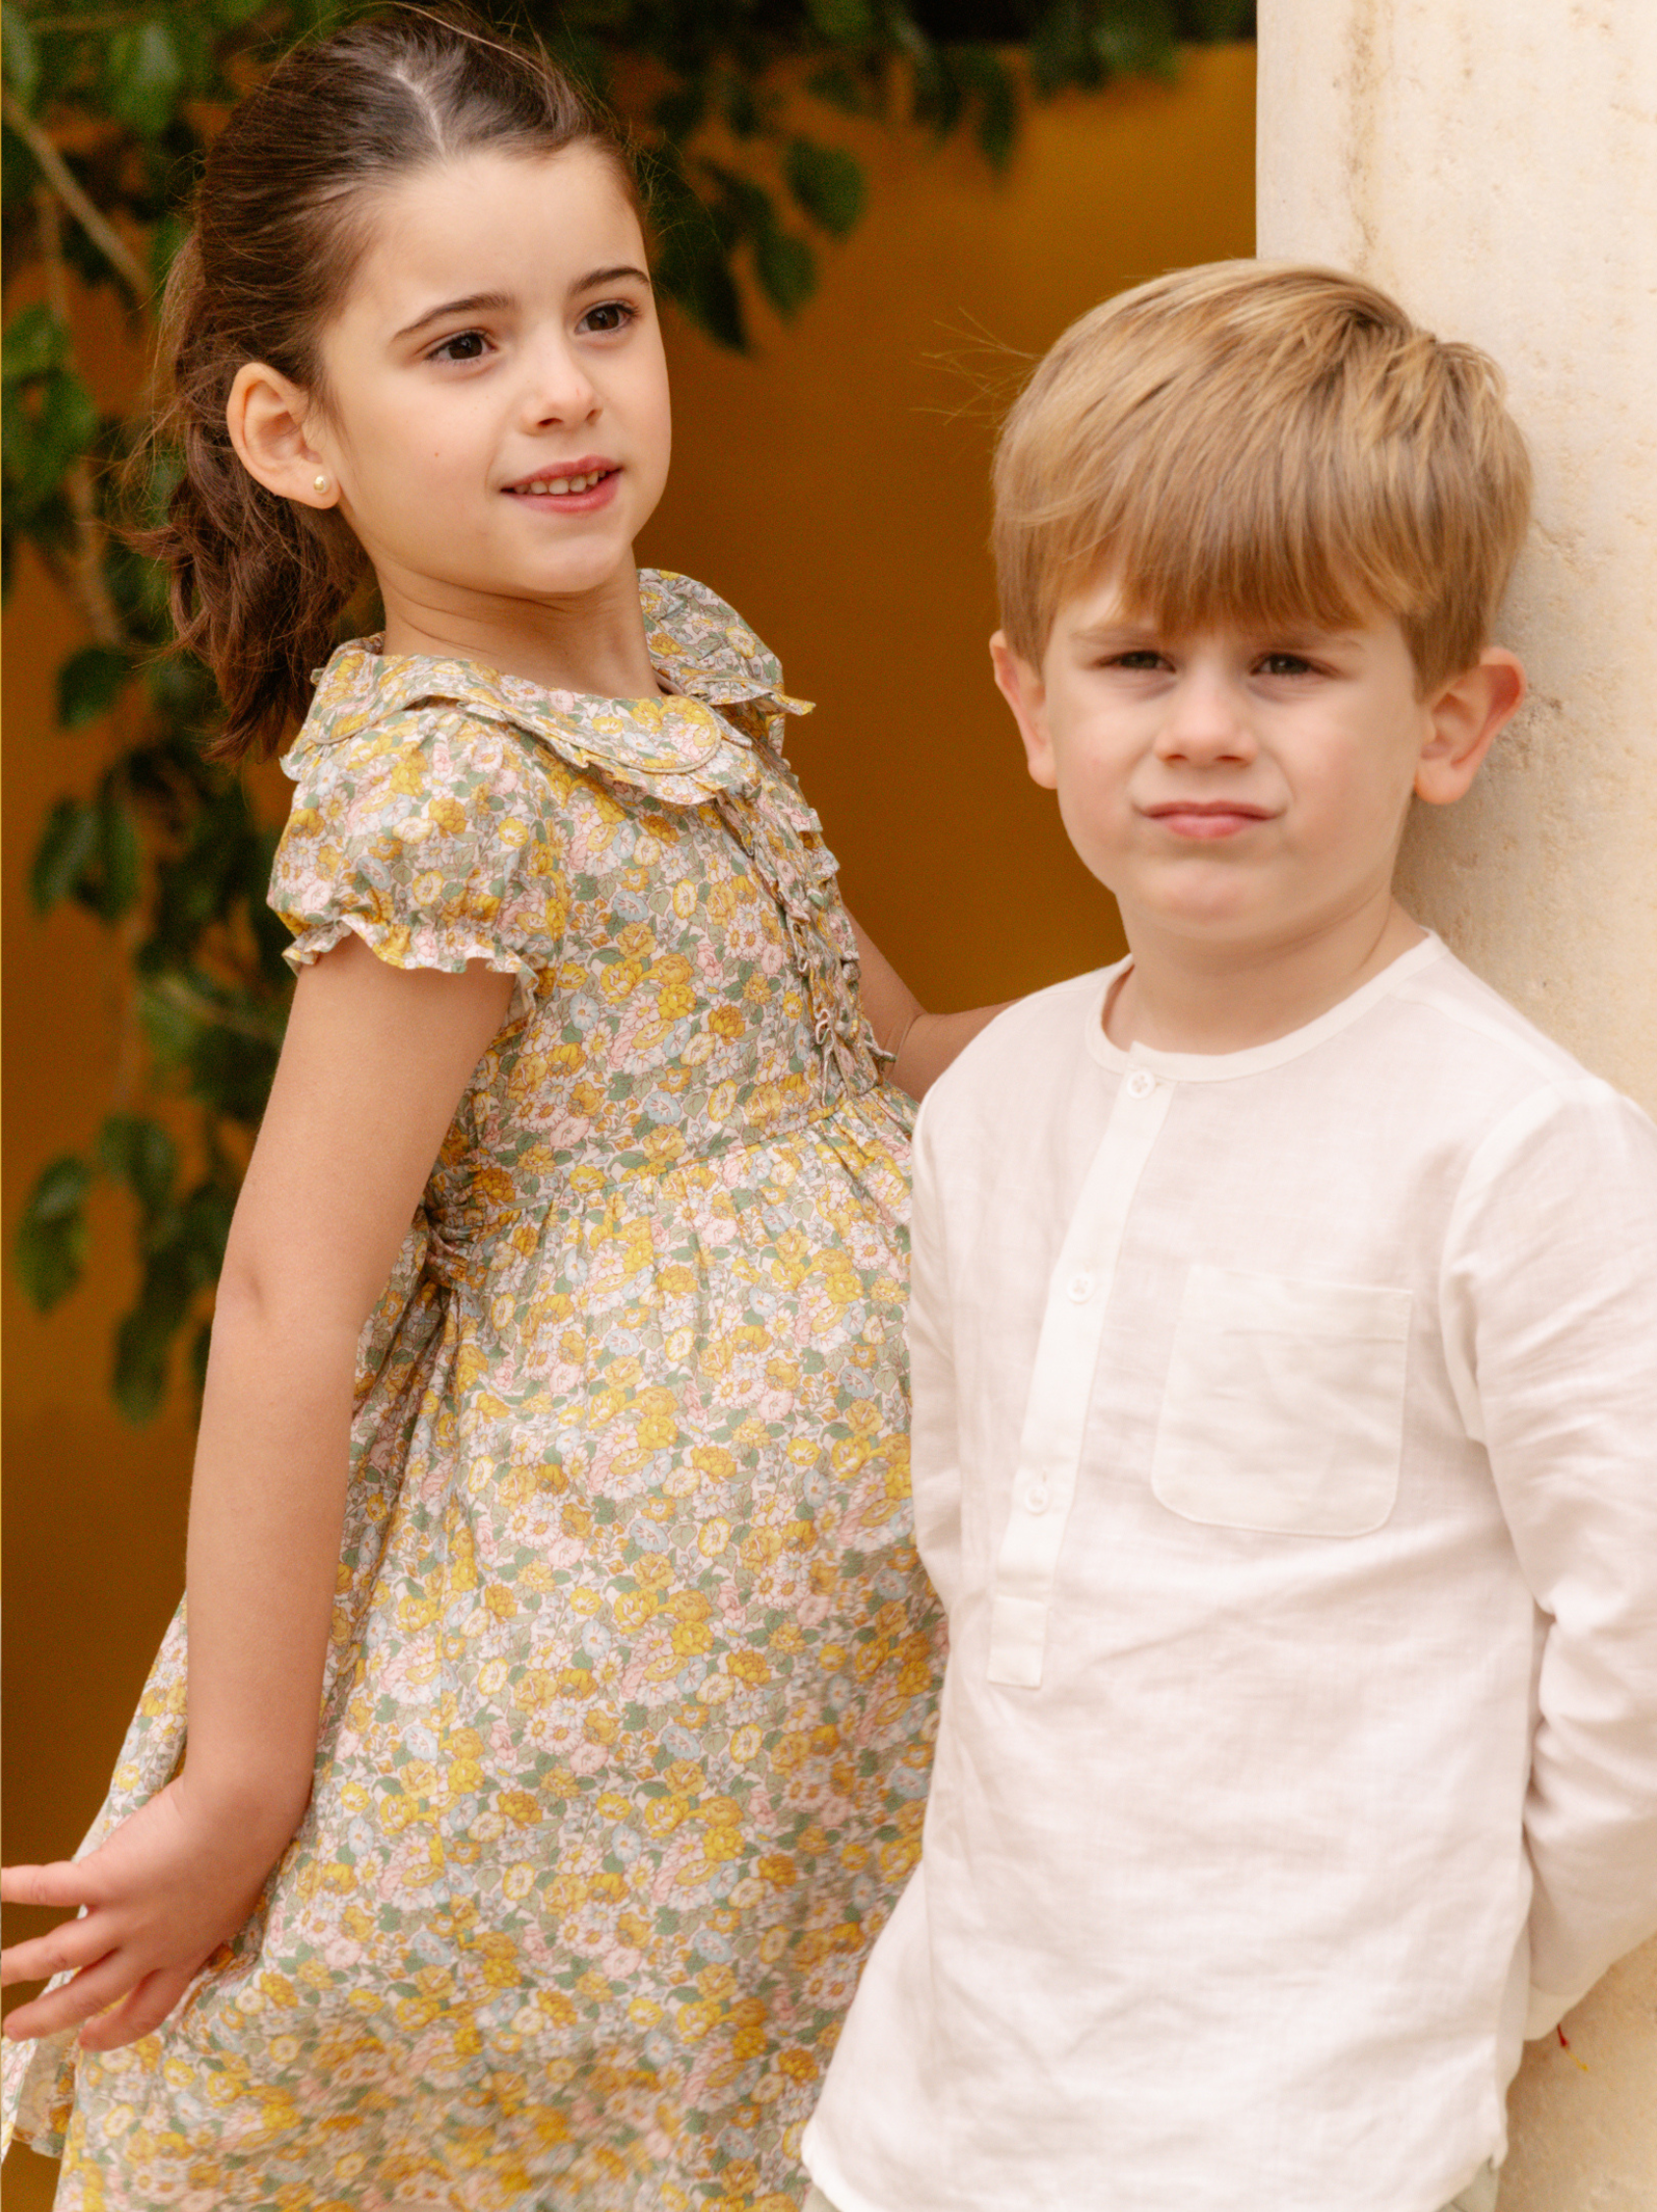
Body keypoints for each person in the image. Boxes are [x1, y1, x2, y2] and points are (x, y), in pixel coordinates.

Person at [0, 14, 997, 2206]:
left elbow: (890, 1058)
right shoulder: (452, 791)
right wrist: (246, 1785)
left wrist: (1250, 1020)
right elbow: (288, 1296)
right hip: (589, 1673)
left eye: (605, 315)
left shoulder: (689, 676)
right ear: (295, 431)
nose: (564, 389)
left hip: (805, 1678)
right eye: (463, 345)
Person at [799, 262, 1657, 2212]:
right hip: (925, 2127)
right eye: (1139, 662)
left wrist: (1474, 1963)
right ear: (1029, 704)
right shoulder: (989, 1116)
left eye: (1294, 665)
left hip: (1300, 2149)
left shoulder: (1514, 1154)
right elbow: (983, 1547)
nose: (1204, 731)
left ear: (1452, 719)